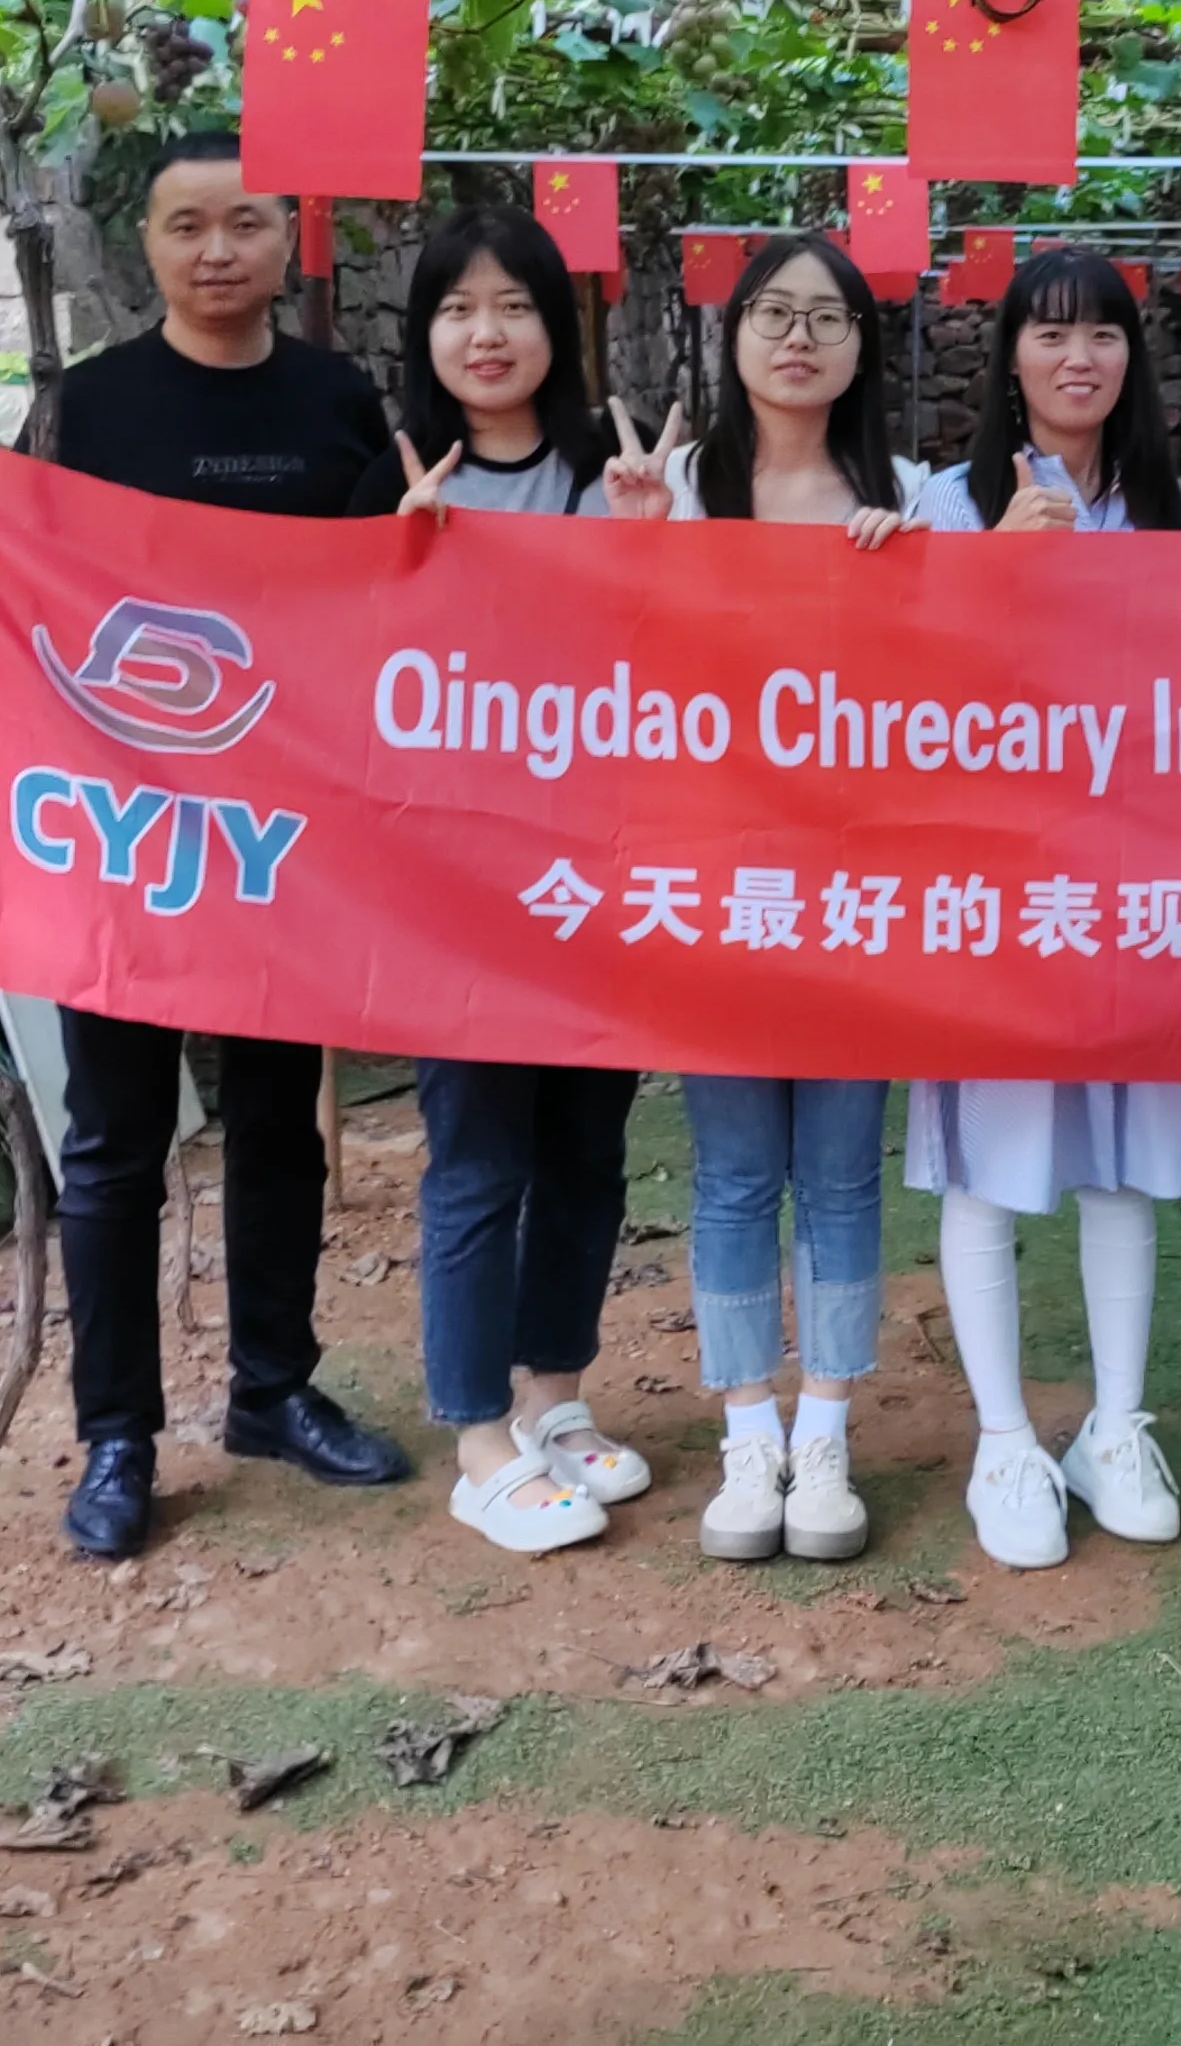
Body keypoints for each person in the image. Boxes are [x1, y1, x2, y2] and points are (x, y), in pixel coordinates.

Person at [0, 131, 409, 1561]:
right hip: (120, 832)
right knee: (112, 1142)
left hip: (283, 838)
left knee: (280, 1126)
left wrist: (429, 542)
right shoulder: (85, 410)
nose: (217, 250)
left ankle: (272, 1392)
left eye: (245, 223)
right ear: (150, 246)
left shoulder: (339, 399)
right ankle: (117, 1435)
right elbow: (16, 582)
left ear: (290, 238)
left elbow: (384, 601)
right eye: (186, 226)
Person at [345, 207, 654, 1555]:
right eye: (460, 308)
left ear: (556, 328)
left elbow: (678, 671)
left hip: (594, 875)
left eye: (515, 307)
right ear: (426, 333)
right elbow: (331, 675)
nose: (488, 332)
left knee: (588, 1153)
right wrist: (388, 568)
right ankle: (476, 1440)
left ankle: (553, 1402)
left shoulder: (613, 472)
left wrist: (652, 547)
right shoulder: (392, 480)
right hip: (454, 891)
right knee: (479, 1160)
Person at [604, 231, 916, 1564]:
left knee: (841, 1175)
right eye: (776, 313)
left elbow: (968, 687)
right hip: (717, 890)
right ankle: (748, 1436)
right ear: (733, 338)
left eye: (829, 316)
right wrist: (633, 550)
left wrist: (923, 573)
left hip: (860, 898)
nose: (801, 337)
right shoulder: (672, 483)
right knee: (735, 1175)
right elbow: (602, 682)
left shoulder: (907, 499)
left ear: (861, 345)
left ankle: (829, 1433)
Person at [909, 247, 1181, 1571]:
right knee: (987, 1162)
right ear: (1010, 358)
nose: (1077, 360)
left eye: (1101, 339)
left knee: (1122, 1159)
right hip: (992, 889)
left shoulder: (1172, 507)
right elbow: (903, 695)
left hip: (1129, 879)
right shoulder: (942, 503)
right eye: (1050, 335)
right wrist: (990, 574)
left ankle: (1117, 1425)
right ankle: (1002, 1441)